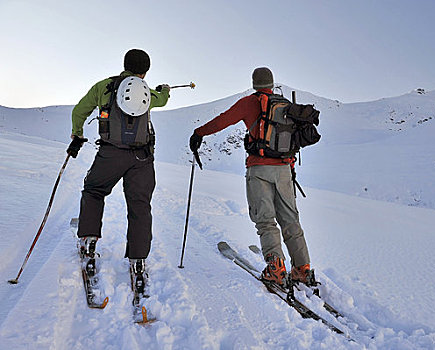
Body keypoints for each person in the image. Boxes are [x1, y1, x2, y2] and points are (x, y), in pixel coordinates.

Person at [189, 67, 315, 286]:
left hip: (259, 170)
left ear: (255, 83)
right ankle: (302, 269)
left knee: (266, 221)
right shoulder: (285, 105)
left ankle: (276, 268)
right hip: (285, 170)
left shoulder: (250, 103)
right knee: (290, 220)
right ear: (272, 83)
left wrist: (199, 132)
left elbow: (223, 121)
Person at [66, 49, 171, 286]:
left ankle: (89, 241)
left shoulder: (104, 87)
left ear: (124, 65)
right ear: (145, 71)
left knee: (94, 191)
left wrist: (78, 134)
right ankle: (138, 260)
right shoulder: (148, 93)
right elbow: (162, 99)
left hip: (110, 154)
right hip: (142, 159)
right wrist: (164, 90)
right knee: (140, 206)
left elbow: (79, 111)